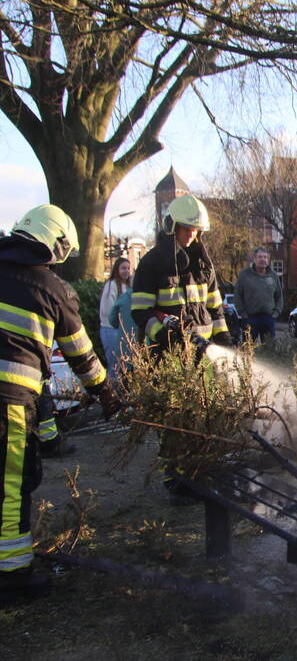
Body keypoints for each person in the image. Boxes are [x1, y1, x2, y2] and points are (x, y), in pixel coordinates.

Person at [0, 204, 121, 604]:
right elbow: (82, 356)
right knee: (11, 489)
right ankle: (12, 578)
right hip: (10, 404)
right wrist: (107, 394)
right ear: (55, 245)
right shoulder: (52, 289)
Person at [131, 194, 232, 353]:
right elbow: (140, 311)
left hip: (203, 351)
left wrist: (223, 337)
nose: (191, 234)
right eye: (186, 228)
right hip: (167, 354)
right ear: (172, 226)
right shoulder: (151, 263)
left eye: (195, 229)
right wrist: (163, 334)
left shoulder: (204, 265)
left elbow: (215, 306)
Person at [234, 246, 283, 344]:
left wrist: (275, 313)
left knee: (270, 349)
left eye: (265, 257)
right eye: (260, 257)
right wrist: (243, 314)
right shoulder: (245, 275)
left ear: (268, 260)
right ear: (254, 259)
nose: (263, 259)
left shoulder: (273, 276)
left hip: (268, 318)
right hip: (250, 318)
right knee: (248, 348)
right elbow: (238, 295)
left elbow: (279, 296)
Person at [99, 256, 132, 379]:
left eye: (128, 268)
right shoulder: (111, 285)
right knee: (114, 366)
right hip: (110, 329)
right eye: (123, 268)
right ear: (116, 269)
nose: (126, 271)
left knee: (124, 365)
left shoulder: (128, 286)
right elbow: (107, 311)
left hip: (123, 331)